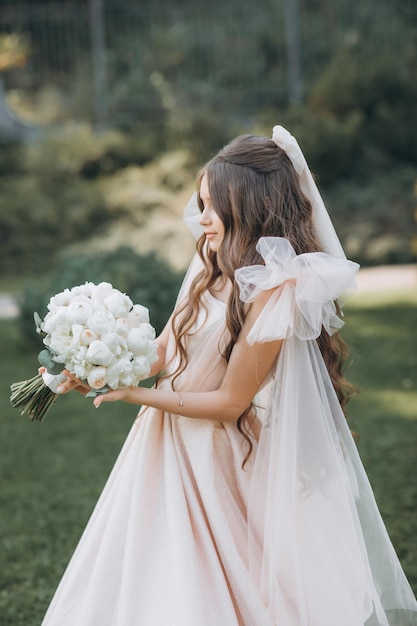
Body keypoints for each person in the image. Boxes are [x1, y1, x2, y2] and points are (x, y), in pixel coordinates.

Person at [41, 126, 417, 626]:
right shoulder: (209, 266)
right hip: (162, 444)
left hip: (217, 455)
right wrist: (100, 368)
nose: (203, 219)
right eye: (201, 203)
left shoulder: (276, 290)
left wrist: (136, 395)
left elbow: (230, 403)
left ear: (253, 207)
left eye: (215, 207)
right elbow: (166, 349)